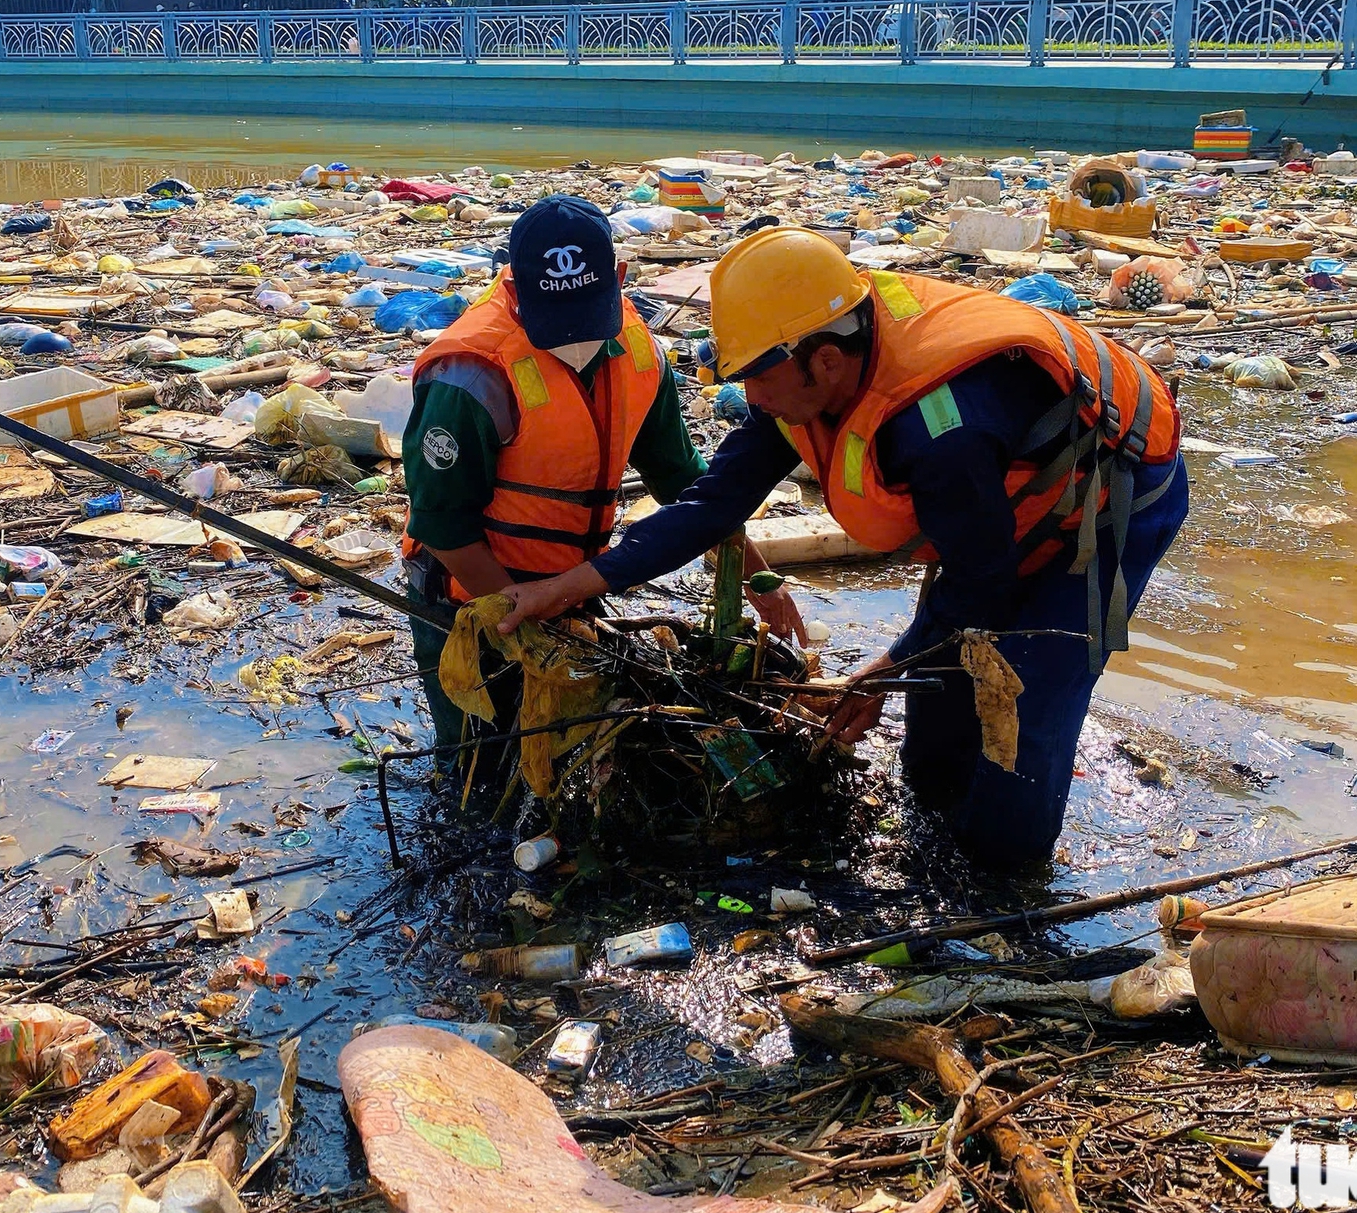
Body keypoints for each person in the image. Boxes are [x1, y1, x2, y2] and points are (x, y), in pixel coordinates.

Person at [497, 226, 1190, 870]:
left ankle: (1006, 891)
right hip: (995, 500)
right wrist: (574, 585)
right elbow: (712, 504)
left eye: (756, 381)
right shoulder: (806, 363)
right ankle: (935, 832)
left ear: (823, 363)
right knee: (939, 688)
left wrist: (879, 673)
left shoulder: (939, 430)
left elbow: (983, 583)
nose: (751, 398)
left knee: (1025, 705)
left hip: (1103, 509)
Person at [400, 194, 789, 757]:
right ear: (514, 287)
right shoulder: (469, 375)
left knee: (565, 754)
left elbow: (685, 482)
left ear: (620, 277)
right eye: (554, 324)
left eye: (584, 319)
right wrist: (521, 620)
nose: (573, 340)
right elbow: (442, 523)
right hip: (467, 597)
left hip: (566, 591)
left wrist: (758, 580)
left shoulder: (642, 353)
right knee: (478, 759)